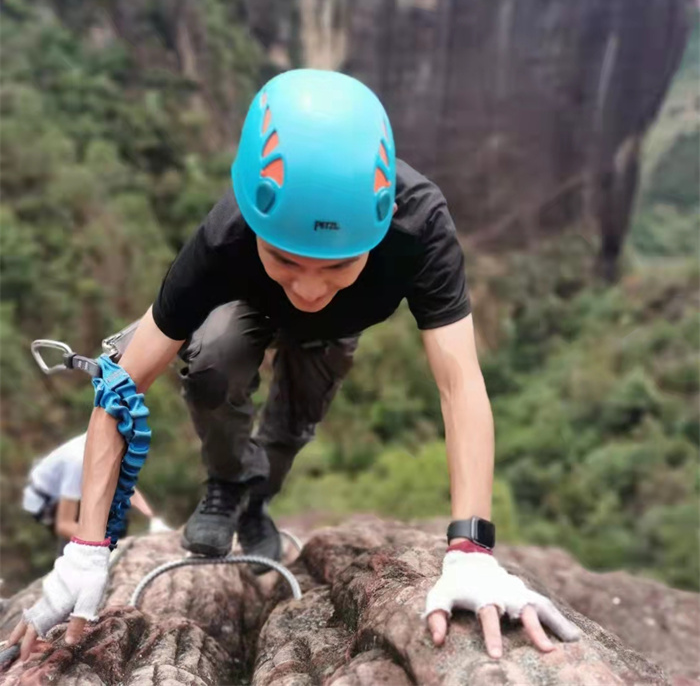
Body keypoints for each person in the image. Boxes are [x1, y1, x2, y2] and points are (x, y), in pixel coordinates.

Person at [10, 69, 580, 661]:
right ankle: (226, 485)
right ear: (255, 222)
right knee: (214, 357)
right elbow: (120, 388)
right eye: (284, 258)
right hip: (247, 309)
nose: (309, 287)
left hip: (335, 333)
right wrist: (85, 550)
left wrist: (471, 550)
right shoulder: (226, 234)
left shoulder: (419, 225)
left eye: (338, 264)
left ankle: (256, 501)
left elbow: (460, 385)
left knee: (293, 422)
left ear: (381, 225)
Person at [21, 432, 171, 556]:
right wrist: (103, 543)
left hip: (76, 484)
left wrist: (154, 520)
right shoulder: (78, 463)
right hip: (47, 501)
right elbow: (64, 524)